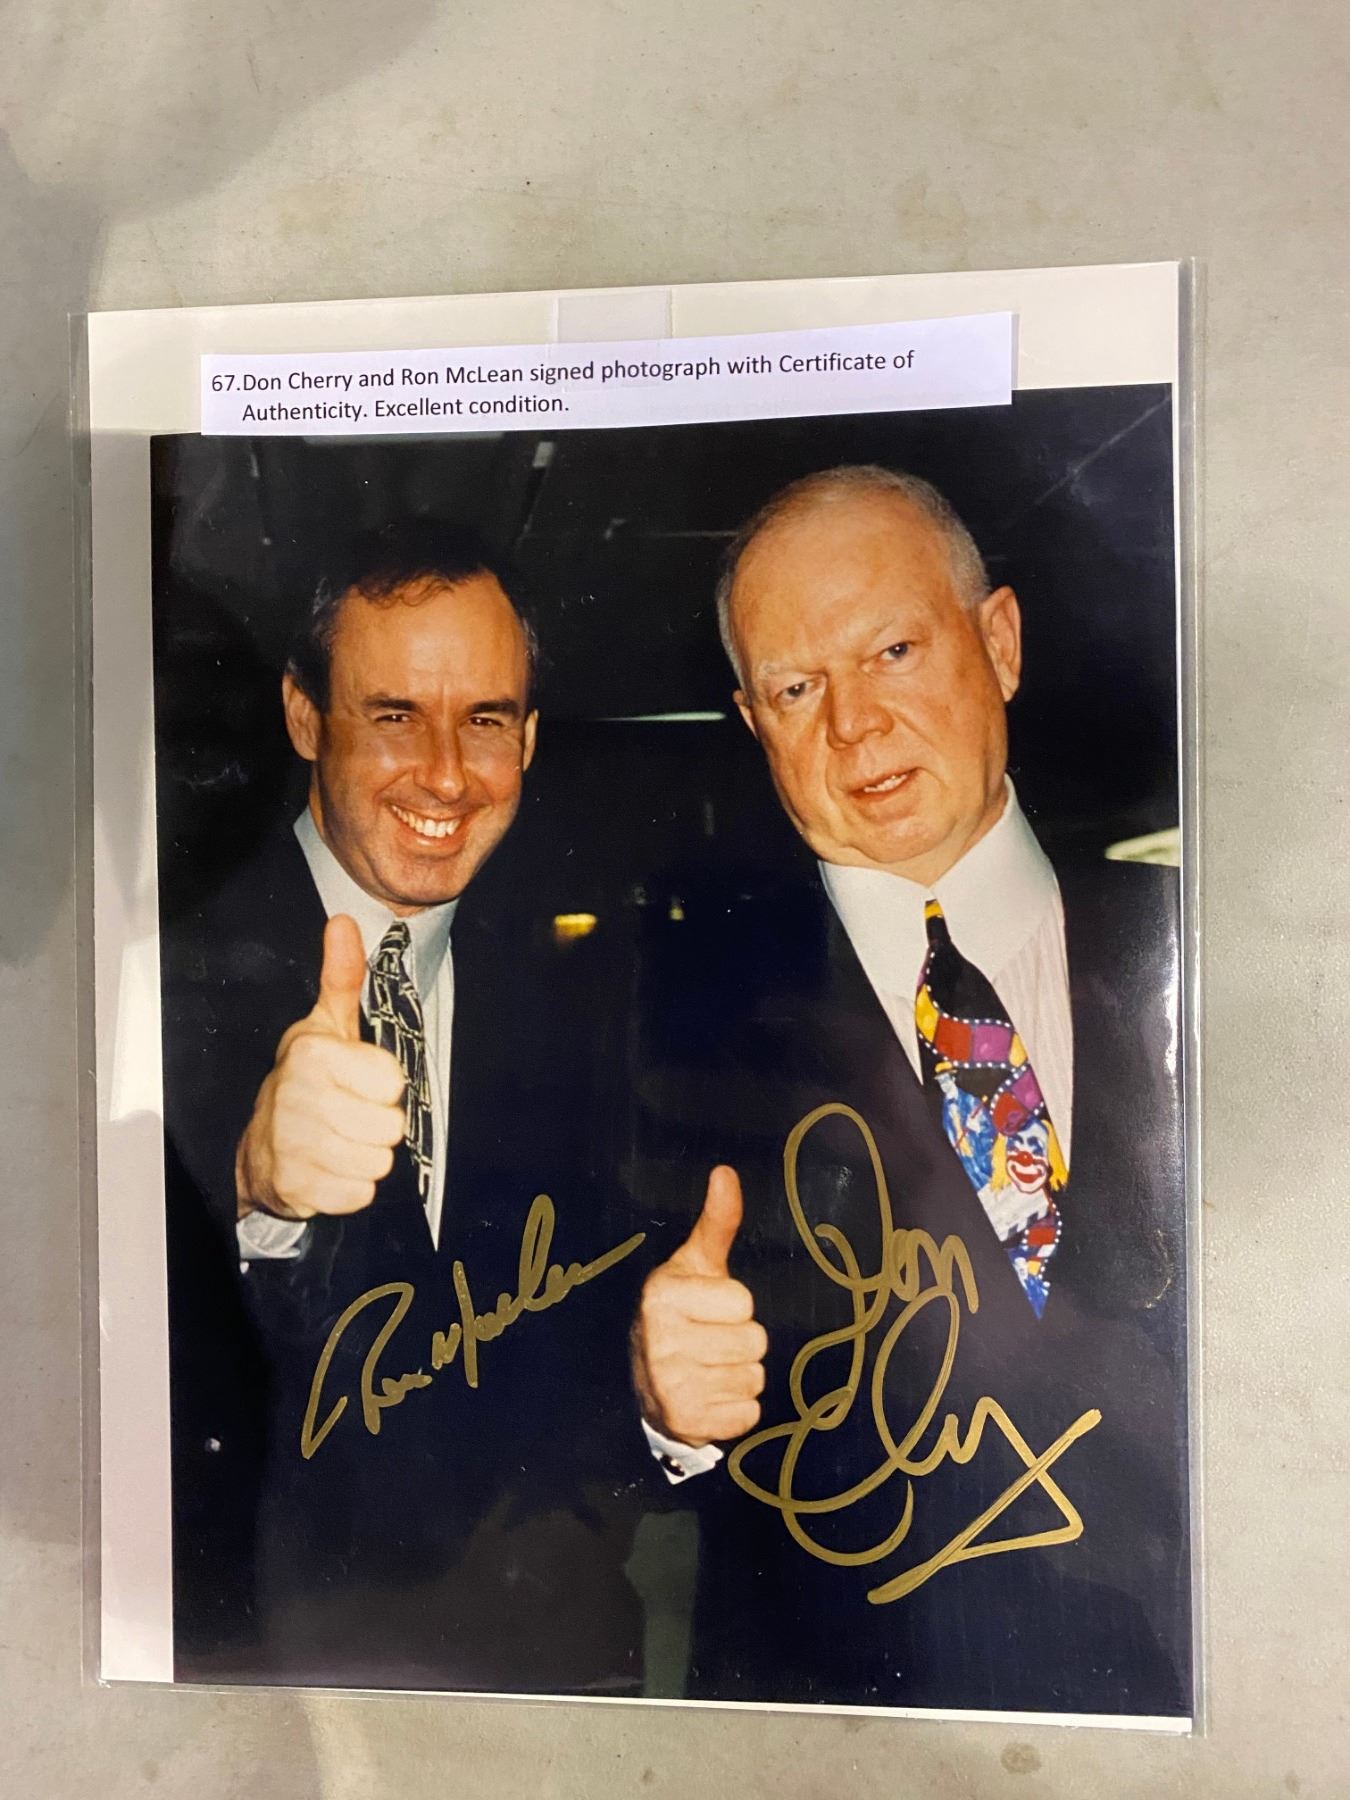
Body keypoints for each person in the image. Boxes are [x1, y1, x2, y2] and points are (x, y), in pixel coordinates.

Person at [629, 466, 1191, 1717]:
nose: (854, 726)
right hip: (833, 1725)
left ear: (1000, 642)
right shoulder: (669, 1025)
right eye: (796, 687)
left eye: (892, 650)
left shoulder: (1219, 953)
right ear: (752, 720)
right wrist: (661, 1412)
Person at [160, 519, 646, 1692]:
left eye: (485, 719)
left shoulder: (569, 985)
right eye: (393, 715)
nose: (445, 773)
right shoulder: (157, 972)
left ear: (529, 737)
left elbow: (582, 1310)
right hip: (261, 1669)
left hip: (538, 1664)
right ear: (302, 716)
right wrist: (254, 1194)